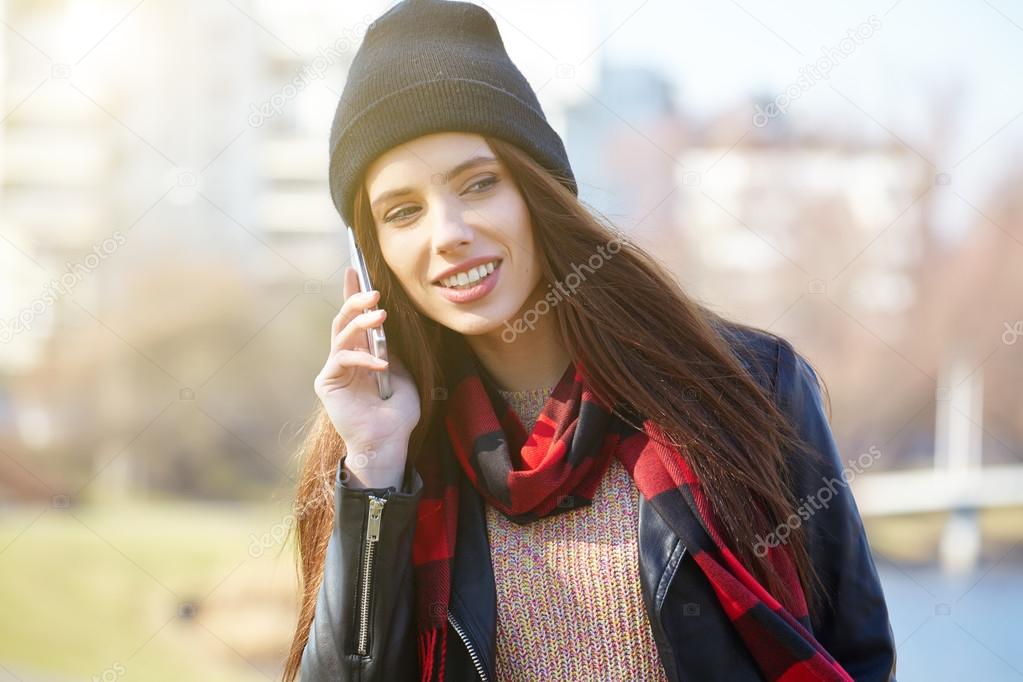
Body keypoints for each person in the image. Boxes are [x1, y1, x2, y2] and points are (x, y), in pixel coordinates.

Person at [283, 1, 898, 680]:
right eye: (402, 212)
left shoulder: (749, 386)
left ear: (539, 190)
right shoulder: (376, 456)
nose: (446, 231)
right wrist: (375, 465)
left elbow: (858, 657)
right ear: (375, 258)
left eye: (479, 183)